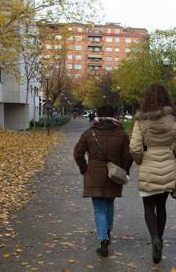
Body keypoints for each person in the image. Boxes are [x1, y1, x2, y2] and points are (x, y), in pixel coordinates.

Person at [129, 84, 176, 264]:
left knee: (148, 208)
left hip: (149, 165)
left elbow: (134, 147)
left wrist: (140, 160)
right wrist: (175, 157)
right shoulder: (174, 120)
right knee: (161, 207)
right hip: (168, 164)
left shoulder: (141, 121)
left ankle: (154, 239)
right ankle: (159, 239)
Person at [73, 105, 133, 257]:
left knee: (99, 208)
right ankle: (107, 232)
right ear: (113, 115)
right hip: (113, 175)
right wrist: (124, 171)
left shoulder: (90, 133)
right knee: (109, 204)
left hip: (94, 174)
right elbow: (128, 155)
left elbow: (77, 153)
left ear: (98, 115)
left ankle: (103, 241)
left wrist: (84, 168)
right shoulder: (121, 134)